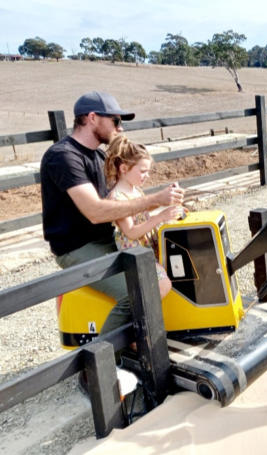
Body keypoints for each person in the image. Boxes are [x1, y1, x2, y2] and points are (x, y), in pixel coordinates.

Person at [40, 91, 185, 335]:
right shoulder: (64, 157)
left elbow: (123, 200)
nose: (119, 128)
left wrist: (162, 206)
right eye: (115, 121)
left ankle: (138, 343)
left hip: (107, 239)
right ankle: (103, 363)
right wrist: (155, 201)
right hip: (78, 247)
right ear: (93, 118)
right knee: (140, 291)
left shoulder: (98, 156)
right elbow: (95, 212)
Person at [104, 134, 180, 300]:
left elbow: (143, 214)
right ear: (124, 169)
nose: (147, 176)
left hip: (147, 250)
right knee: (163, 285)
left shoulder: (135, 190)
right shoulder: (117, 198)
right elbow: (131, 232)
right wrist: (160, 217)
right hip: (136, 256)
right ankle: (143, 318)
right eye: (143, 171)